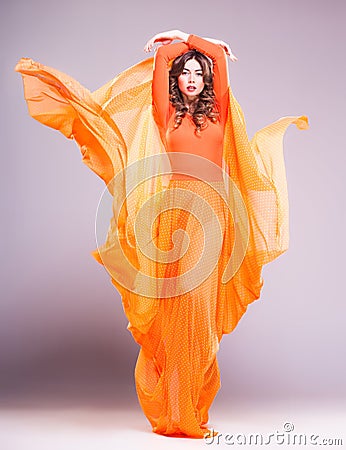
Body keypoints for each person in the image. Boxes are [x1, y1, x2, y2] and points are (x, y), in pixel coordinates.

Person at [14, 29, 308, 439]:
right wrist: (172, 43)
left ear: (206, 83)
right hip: (173, 216)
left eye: (197, 73)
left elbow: (219, 60)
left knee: (202, 317)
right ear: (177, 80)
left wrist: (190, 37)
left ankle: (192, 406)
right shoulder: (166, 113)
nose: (190, 77)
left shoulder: (218, 112)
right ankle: (174, 410)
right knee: (174, 314)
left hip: (213, 218)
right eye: (185, 72)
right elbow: (162, 61)